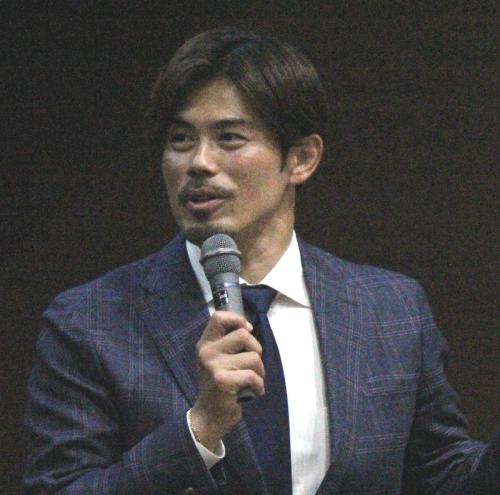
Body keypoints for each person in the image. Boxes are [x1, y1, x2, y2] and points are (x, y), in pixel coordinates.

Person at [23, 28, 498, 495]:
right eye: (181, 140)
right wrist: (199, 430)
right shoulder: (91, 321)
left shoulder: (390, 309)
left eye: (229, 138)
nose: (199, 163)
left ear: (302, 158)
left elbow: (444, 476)